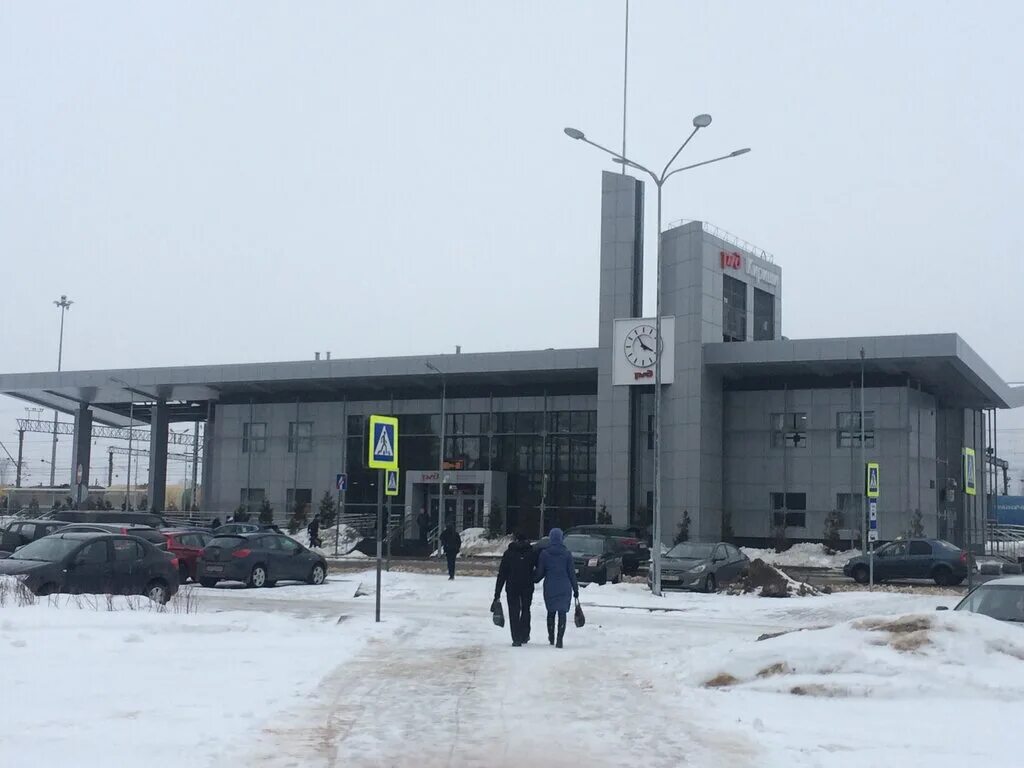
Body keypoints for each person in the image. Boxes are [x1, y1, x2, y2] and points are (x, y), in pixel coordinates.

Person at [534, 527, 578, 648]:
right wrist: (575, 589)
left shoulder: (545, 554)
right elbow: (571, 573)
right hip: (564, 586)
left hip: (550, 586)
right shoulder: (567, 554)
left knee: (551, 611)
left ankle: (551, 636)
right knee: (562, 612)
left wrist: (532, 578)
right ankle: (560, 639)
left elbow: (540, 573)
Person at [494, 530, 537, 646]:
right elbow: (537, 570)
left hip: (512, 585)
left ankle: (516, 638)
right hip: (527, 585)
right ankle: (524, 634)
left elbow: (502, 573)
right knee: (526, 609)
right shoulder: (531, 552)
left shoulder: (509, 553)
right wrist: (533, 578)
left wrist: (497, 592)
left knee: (513, 611)